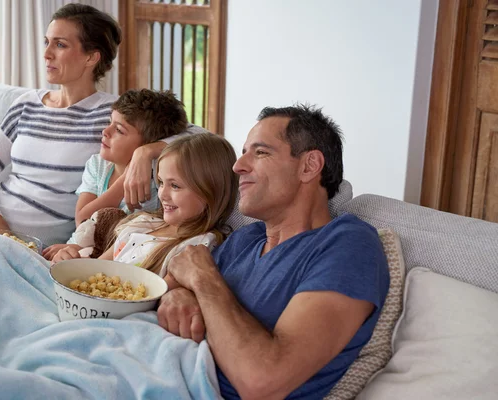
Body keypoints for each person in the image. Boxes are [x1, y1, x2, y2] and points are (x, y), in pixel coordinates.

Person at [157, 104, 390, 399]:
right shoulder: (246, 238)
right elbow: (179, 273)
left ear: (309, 166)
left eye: (260, 152)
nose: (237, 166)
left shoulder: (348, 245)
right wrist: (179, 294)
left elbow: (262, 381)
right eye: (243, 152)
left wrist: (203, 280)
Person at [0, 3, 179, 246]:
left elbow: (192, 136)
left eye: (60, 44)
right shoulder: (26, 105)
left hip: (25, 243)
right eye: (47, 42)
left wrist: (145, 151)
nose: (46, 54)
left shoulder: (112, 115)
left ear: (91, 57)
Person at [51, 134, 239, 281]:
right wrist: (71, 262)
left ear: (210, 191)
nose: (163, 194)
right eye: (161, 183)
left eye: (175, 185)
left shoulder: (198, 248)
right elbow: (95, 272)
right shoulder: (141, 223)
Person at [42, 88, 189, 261]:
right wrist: (124, 181)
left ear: (151, 143)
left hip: (117, 260)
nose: (106, 131)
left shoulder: (158, 178)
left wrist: (146, 154)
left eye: (119, 130)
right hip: (75, 248)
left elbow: (199, 140)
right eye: (109, 122)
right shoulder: (97, 165)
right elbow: (82, 219)